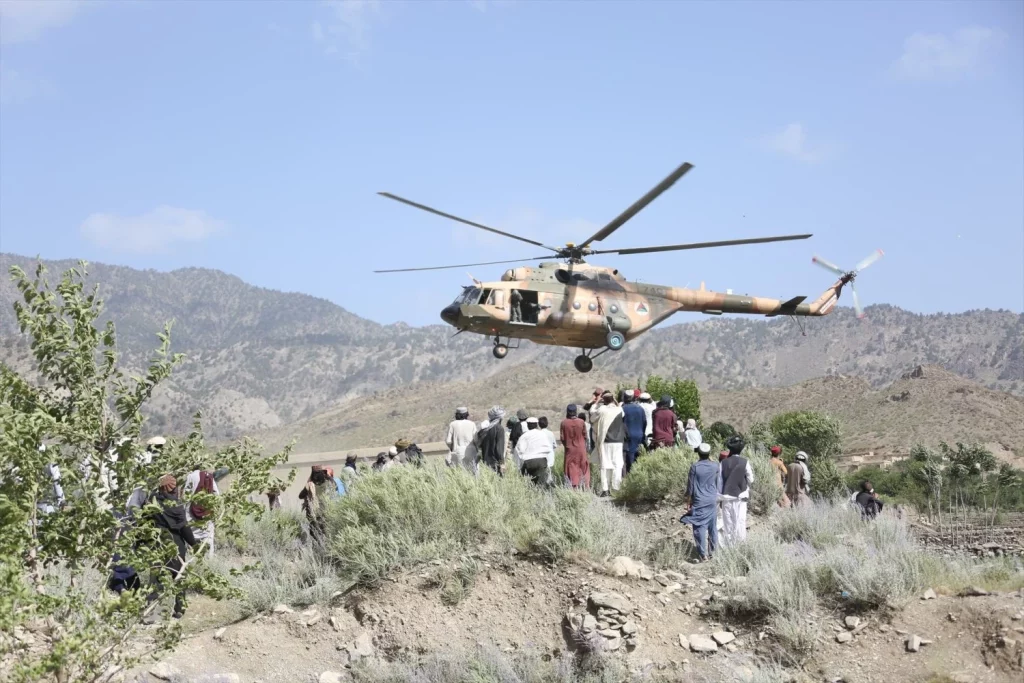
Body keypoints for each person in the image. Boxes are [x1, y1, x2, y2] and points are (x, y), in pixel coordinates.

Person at [142, 474, 199, 622]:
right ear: (174, 488)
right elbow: (184, 528)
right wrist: (194, 544)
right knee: (178, 577)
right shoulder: (176, 505)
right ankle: (179, 610)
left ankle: (150, 614)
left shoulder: (151, 501)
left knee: (155, 579)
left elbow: (144, 522)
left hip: (157, 543)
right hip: (175, 544)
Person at [680, 443, 721, 561]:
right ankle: (713, 552)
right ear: (709, 453)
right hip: (712, 500)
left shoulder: (695, 467)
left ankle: (703, 554)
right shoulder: (715, 466)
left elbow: (691, 487)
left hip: (699, 500)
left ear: (698, 453)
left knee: (699, 527)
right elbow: (717, 483)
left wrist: (688, 501)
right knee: (712, 527)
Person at [718, 435, 754, 547]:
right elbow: (751, 480)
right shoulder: (745, 462)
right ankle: (741, 546)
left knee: (728, 524)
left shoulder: (723, 463)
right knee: (740, 522)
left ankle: (729, 548)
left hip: (726, 498)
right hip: (741, 497)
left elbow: (719, 483)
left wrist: (719, 497)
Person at [591, 391, 625, 497]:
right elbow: (621, 411)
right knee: (617, 465)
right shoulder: (619, 410)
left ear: (604, 400)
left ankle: (605, 489)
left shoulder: (602, 410)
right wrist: (614, 399)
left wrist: (597, 402)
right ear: (613, 400)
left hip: (605, 441)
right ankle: (616, 488)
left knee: (605, 465)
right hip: (618, 442)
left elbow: (592, 415)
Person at [183, 468, 220, 555]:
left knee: (190, 537)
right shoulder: (209, 476)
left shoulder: (191, 476)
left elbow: (185, 496)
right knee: (208, 538)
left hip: (190, 513)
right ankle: (209, 561)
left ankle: (190, 560)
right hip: (206, 515)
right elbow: (216, 495)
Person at [299, 465, 337, 546]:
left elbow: (301, 496)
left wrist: (309, 480)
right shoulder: (328, 483)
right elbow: (335, 487)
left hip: (313, 514)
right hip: (325, 514)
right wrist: (328, 476)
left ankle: (316, 553)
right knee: (325, 537)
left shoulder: (310, 485)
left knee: (315, 538)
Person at [514, 417, 553, 486]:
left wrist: (519, 465)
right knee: (540, 484)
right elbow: (549, 448)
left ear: (528, 425)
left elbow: (519, 450)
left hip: (529, 462)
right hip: (542, 462)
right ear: (537, 425)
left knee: (529, 484)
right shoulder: (542, 434)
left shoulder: (524, 436)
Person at [560, 405, 590, 489]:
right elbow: (585, 435)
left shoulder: (564, 423)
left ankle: (573, 486)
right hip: (581, 448)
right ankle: (585, 486)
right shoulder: (581, 422)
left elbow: (562, 438)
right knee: (583, 466)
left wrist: (567, 445)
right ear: (575, 412)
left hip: (570, 449)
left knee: (571, 467)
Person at [621, 391, 647, 474]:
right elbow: (644, 422)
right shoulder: (640, 408)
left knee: (629, 456)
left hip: (627, 435)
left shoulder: (623, 408)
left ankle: (631, 474)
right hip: (639, 433)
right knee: (637, 454)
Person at [477, 406, 508, 475]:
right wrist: (502, 463)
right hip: (495, 463)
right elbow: (499, 448)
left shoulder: (485, 429)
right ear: (501, 417)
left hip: (485, 462)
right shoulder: (499, 429)